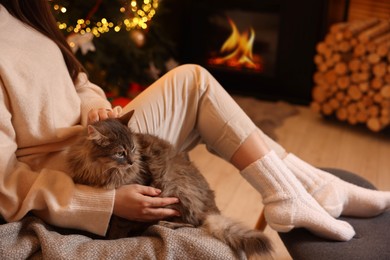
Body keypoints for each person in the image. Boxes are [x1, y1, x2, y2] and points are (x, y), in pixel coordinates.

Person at [1, 0, 390, 244]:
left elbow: (77, 80)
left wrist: (96, 111)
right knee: (196, 82)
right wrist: (102, 202)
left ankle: (305, 188)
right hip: (71, 173)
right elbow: (4, 183)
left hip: (94, 139)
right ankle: (298, 190)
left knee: (193, 79)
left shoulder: (22, 10)